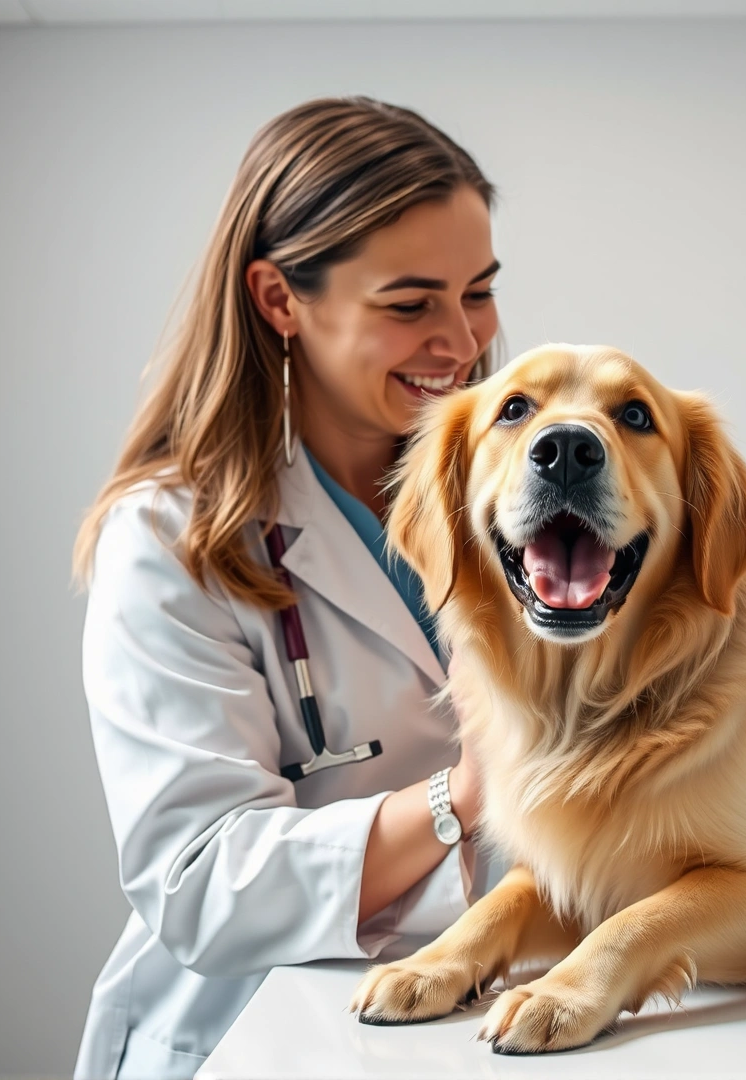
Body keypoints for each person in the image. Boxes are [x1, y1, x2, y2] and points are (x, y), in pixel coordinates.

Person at [69, 97, 502, 1079]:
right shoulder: (172, 537)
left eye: (477, 292)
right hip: (253, 1031)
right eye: (410, 303)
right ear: (279, 301)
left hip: (471, 1011)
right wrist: (468, 795)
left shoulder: (514, 504)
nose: (462, 341)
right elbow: (202, 885)